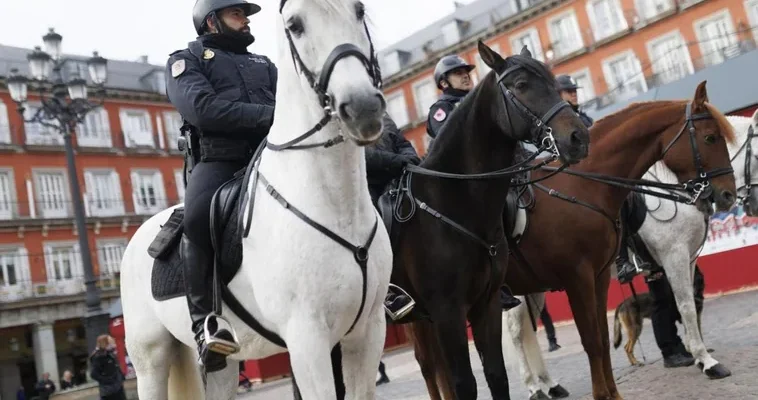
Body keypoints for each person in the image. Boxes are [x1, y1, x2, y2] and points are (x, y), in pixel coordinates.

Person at [166, 0, 276, 372]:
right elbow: (203, 109)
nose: (245, 21)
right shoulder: (187, 60)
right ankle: (206, 323)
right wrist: (274, 116)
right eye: (237, 14)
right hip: (220, 160)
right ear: (212, 21)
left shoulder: (264, 64)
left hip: (271, 154)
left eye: (245, 15)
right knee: (197, 217)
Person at [365, 113, 420, 319]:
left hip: (397, 177)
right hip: (366, 182)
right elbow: (358, 155)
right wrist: (399, 161)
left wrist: (410, 157)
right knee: (373, 226)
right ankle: (387, 290)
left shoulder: (380, 112)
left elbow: (401, 140)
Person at [646, 265, 706, 367]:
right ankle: (669, 353)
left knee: (670, 297)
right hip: (650, 260)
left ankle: (679, 346)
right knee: (661, 298)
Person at [426, 55, 476, 139]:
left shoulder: (477, 98)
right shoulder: (440, 108)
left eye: (466, 72)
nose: (466, 76)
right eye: (458, 73)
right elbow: (447, 140)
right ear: (444, 83)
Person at [90, 335, 126, 400]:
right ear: (105, 343)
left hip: (118, 387)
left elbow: (116, 366)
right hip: (108, 390)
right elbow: (94, 374)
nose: (113, 343)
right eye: (110, 342)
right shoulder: (98, 356)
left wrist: (121, 376)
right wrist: (108, 380)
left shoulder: (110, 353)